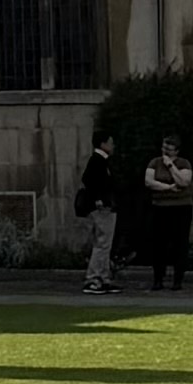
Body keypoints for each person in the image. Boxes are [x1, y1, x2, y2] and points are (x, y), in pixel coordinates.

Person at [139, 133, 193, 291]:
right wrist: (168, 188)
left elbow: (184, 181)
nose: (165, 152)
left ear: (176, 151)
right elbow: (149, 182)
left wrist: (171, 166)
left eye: (169, 149)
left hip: (181, 207)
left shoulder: (184, 163)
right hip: (159, 207)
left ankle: (178, 280)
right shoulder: (154, 162)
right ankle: (158, 279)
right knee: (158, 244)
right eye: (164, 148)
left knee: (180, 243)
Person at [73, 124, 120, 298]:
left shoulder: (101, 161)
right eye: (110, 143)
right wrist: (98, 200)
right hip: (101, 208)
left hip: (104, 206)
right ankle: (93, 278)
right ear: (103, 144)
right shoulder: (97, 161)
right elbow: (89, 181)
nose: (112, 146)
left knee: (104, 244)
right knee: (102, 243)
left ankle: (103, 277)